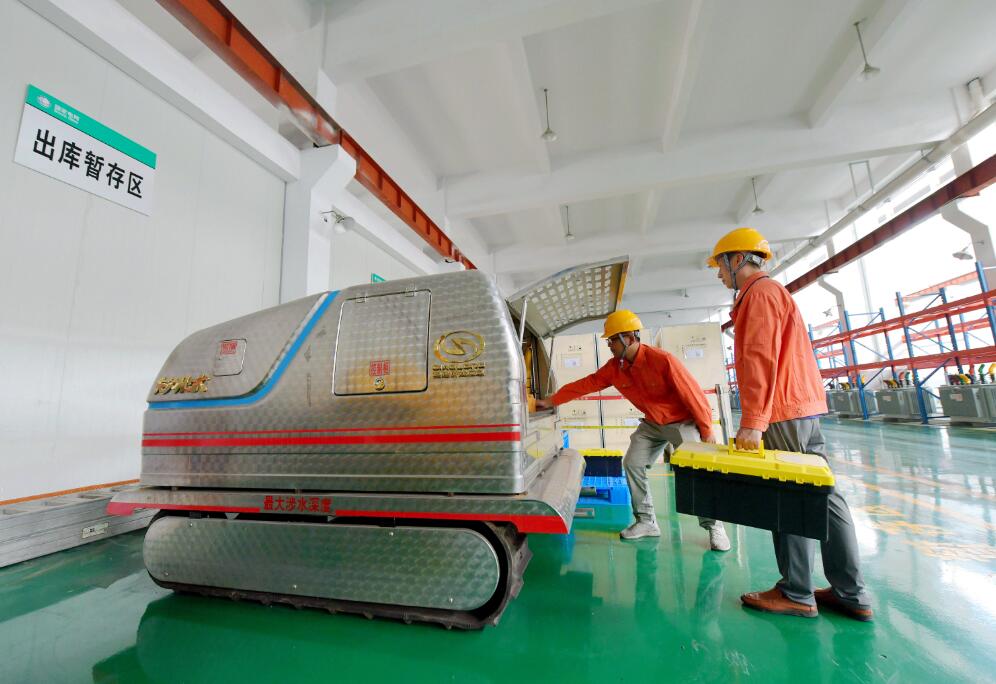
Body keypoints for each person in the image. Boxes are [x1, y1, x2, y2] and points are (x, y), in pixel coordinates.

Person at [707, 227, 872, 620]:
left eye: (721, 266)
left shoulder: (759, 295)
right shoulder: (771, 293)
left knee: (790, 496)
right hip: (800, 408)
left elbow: (760, 359)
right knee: (824, 495)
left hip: (781, 411)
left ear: (738, 259)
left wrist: (753, 422)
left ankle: (796, 591)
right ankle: (850, 592)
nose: (719, 274)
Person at [536, 310, 731, 550]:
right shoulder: (615, 368)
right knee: (632, 463)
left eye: (612, 340)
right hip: (652, 424)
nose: (609, 345)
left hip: (682, 422)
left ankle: (714, 526)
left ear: (628, 338)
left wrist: (707, 430)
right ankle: (646, 522)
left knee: (696, 471)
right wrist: (552, 401)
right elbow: (586, 384)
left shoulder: (663, 360)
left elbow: (693, 394)